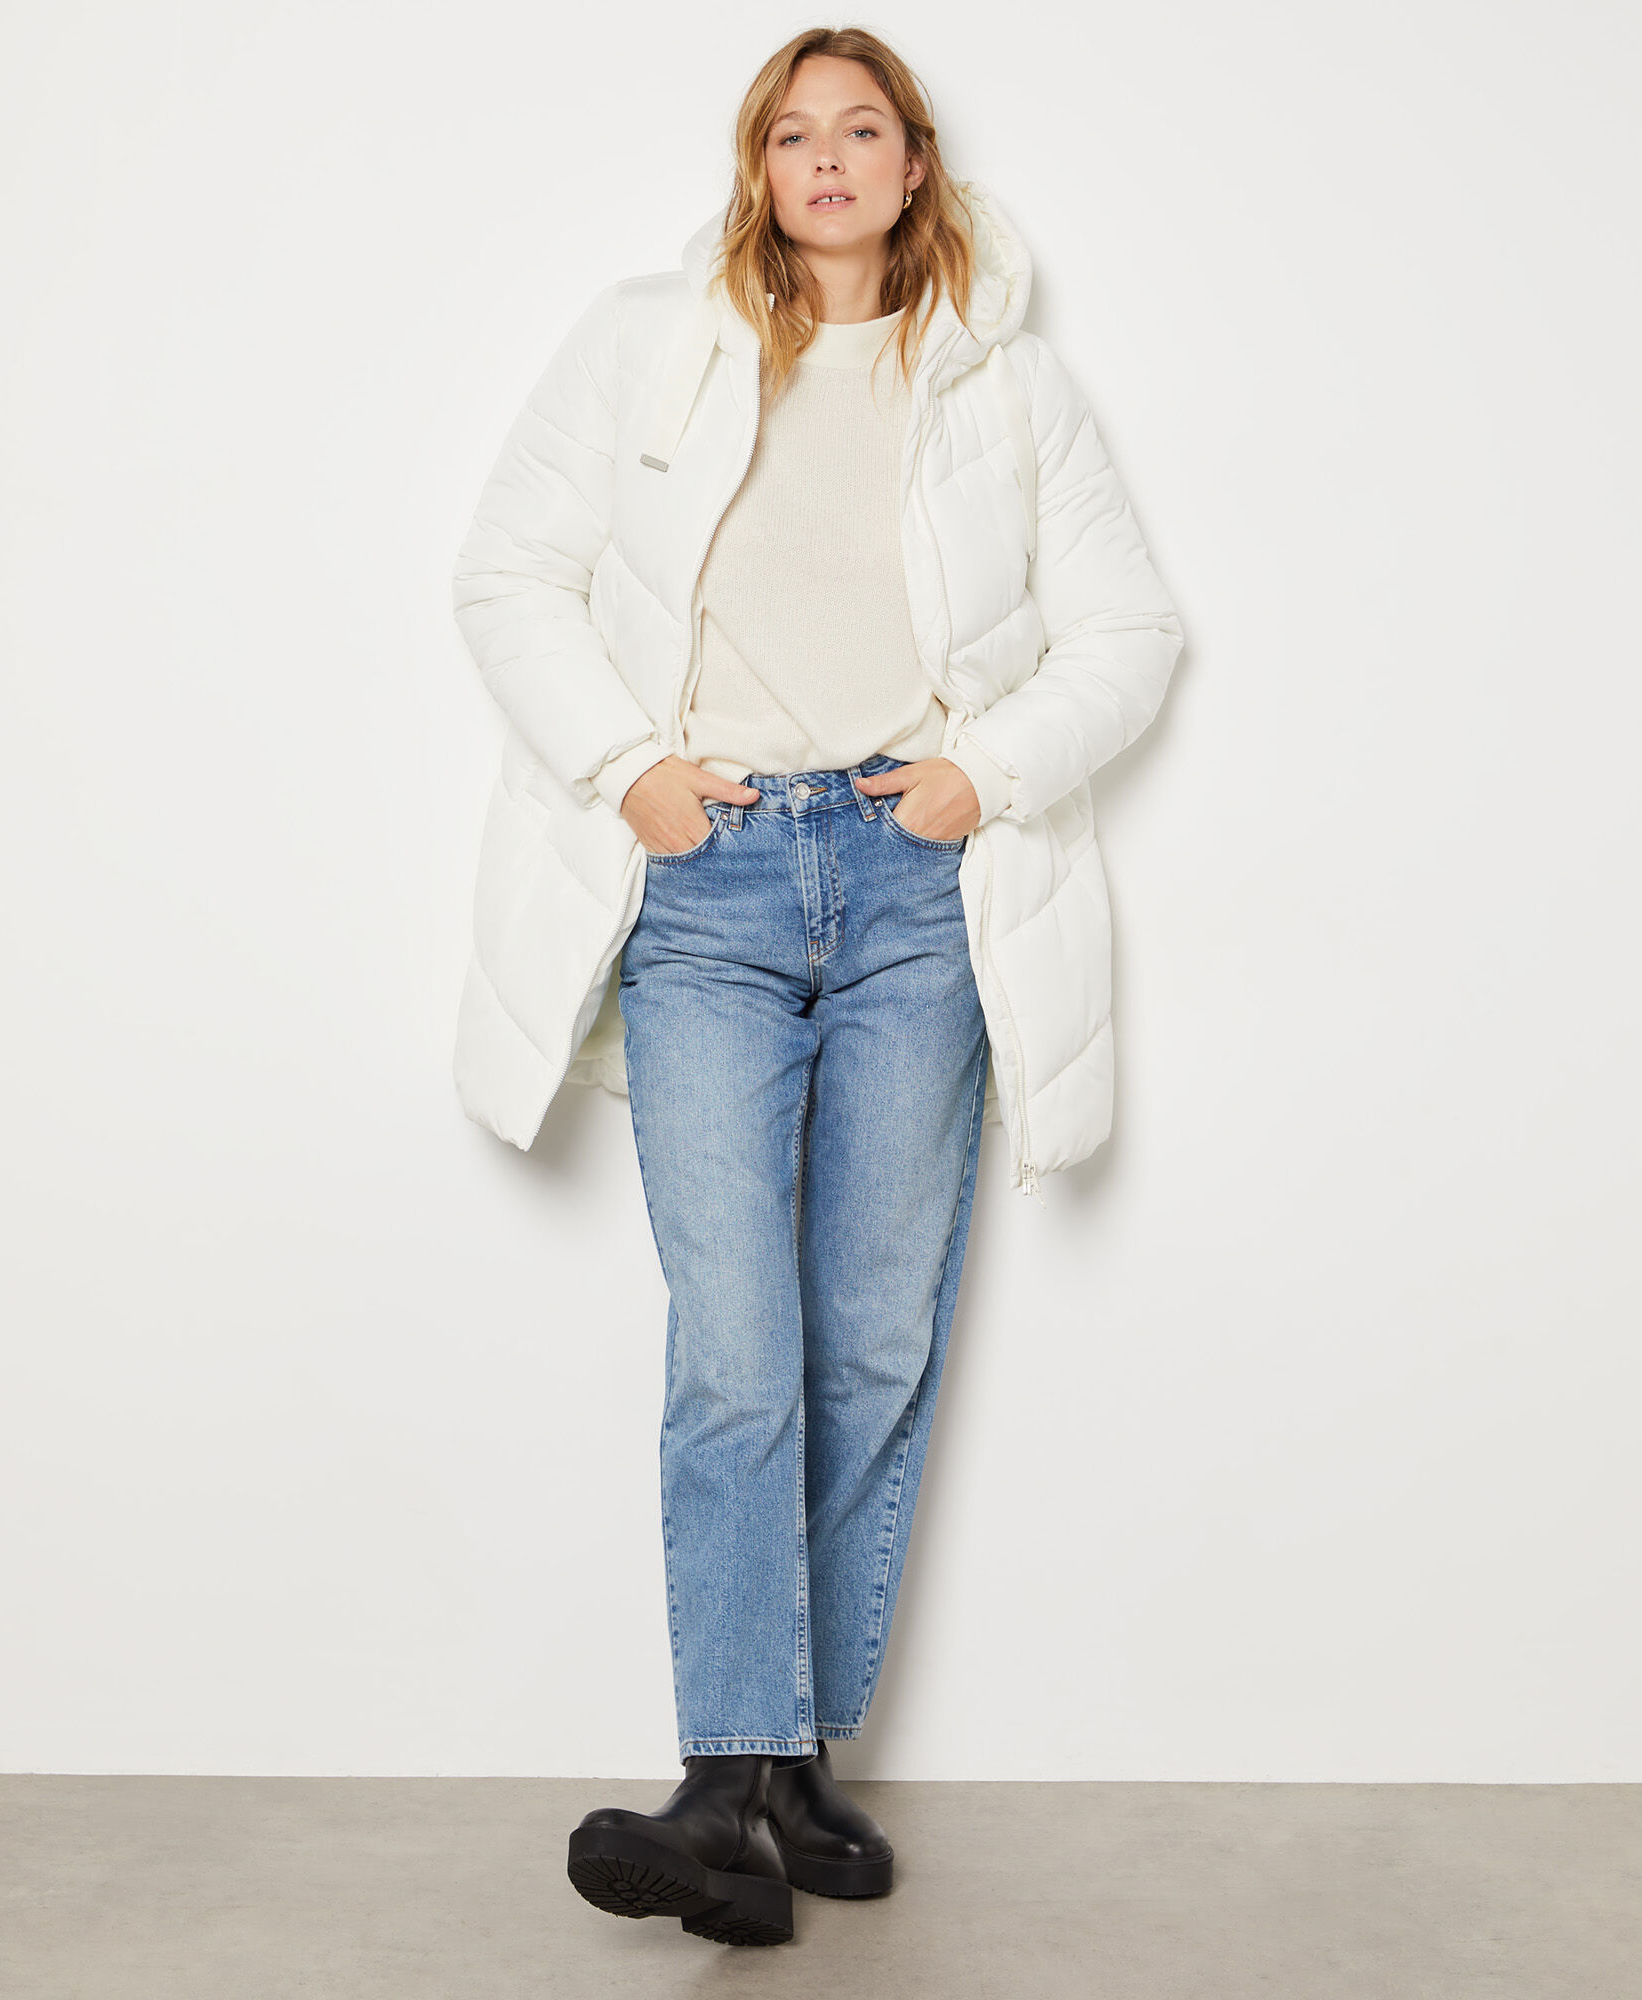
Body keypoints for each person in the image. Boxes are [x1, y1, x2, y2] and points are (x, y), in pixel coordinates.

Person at [449, 26, 1184, 1951]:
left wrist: (981, 775)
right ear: (759, 167)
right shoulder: (645, 341)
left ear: (917, 164)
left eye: (863, 130)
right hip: (708, 884)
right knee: (735, 1341)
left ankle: (786, 1770)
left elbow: (1129, 633)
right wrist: (630, 767)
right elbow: (506, 575)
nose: (829, 160)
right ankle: (722, 1778)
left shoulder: (1010, 387)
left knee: (869, 1339)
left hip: (916, 887)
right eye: (795, 133)